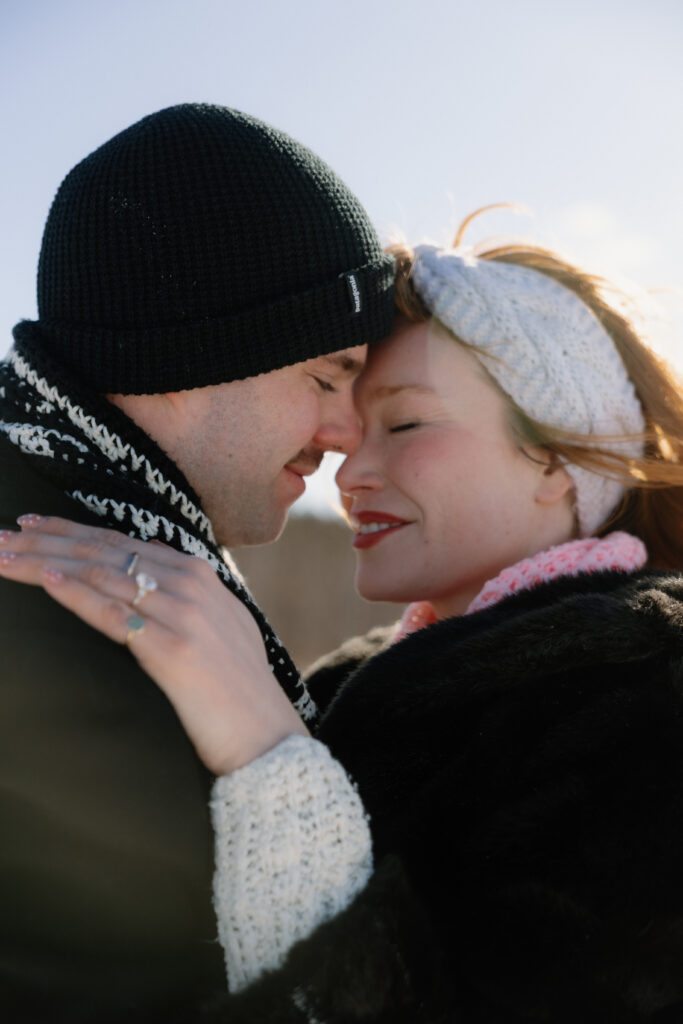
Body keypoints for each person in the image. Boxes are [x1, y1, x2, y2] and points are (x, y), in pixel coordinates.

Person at [4, 215, 683, 1023]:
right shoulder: (350, 680)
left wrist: (272, 760)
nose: (350, 473)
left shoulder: (646, 710)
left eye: (403, 423)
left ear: (554, 457)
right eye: (353, 433)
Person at [0, 103, 394, 1020]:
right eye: (325, 376)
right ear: (195, 348)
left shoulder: (98, 527)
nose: (344, 435)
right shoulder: (59, 605)